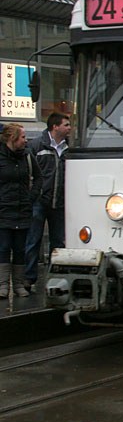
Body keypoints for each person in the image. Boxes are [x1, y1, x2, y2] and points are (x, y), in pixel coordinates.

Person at [24, 112, 71, 291]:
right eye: (66, 125)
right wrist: (34, 195)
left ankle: (55, 278)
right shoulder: (37, 145)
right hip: (40, 201)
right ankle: (29, 278)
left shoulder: (69, 147)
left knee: (58, 242)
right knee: (33, 240)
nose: (69, 128)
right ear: (55, 127)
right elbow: (29, 173)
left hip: (59, 202)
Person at [0, 123, 42, 298]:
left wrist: (30, 197)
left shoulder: (28, 157)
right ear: (12, 138)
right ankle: (3, 286)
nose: (26, 141)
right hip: (3, 210)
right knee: (3, 247)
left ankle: (18, 284)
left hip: (23, 210)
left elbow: (39, 178)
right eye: (23, 137)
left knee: (20, 249)